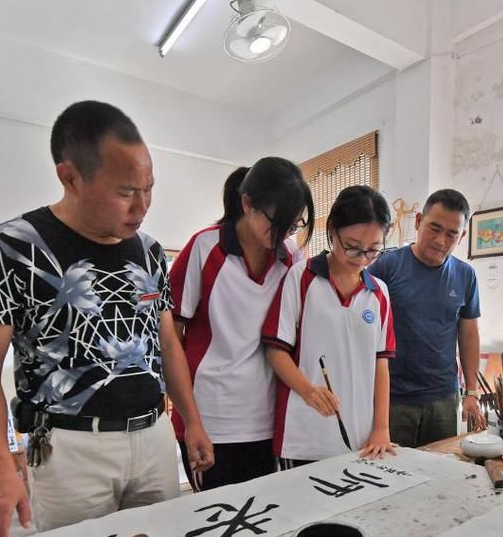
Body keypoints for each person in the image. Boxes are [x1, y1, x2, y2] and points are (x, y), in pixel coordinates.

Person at [0, 100, 214, 537]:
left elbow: (166, 342)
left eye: (149, 189)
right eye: (124, 192)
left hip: (154, 435)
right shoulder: (8, 248)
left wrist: (190, 420)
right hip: (70, 448)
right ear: (70, 177)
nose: (141, 207)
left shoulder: (151, 252)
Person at [170, 158, 312, 490]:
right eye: (277, 224)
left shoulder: (291, 258)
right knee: (215, 521)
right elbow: (170, 337)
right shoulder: (205, 248)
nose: (283, 236)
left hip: (266, 419)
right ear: (247, 204)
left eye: (293, 227)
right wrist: (189, 419)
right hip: (211, 418)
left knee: (261, 514)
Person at [262, 185, 396, 466]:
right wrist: (308, 390)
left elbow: (380, 363)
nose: (361, 259)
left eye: (373, 250)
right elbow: (275, 351)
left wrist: (381, 428)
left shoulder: (379, 293)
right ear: (332, 229)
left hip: (363, 440)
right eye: (351, 246)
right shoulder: (301, 278)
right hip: (305, 437)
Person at [368, 189, 483, 446]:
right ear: (419, 221)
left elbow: (469, 333)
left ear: (462, 236)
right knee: (392, 475)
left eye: (452, 234)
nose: (441, 240)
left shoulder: (466, 276)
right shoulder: (386, 267)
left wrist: (471, 392)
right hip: (393, 397)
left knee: (439, 474)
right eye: (434, 228)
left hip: (442, 396)